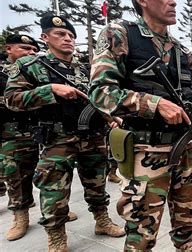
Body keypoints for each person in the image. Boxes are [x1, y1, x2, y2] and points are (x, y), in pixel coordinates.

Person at [88, 0, 192, 251]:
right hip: (146, 154)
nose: (173, 1)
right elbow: (100, 92)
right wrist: (152, 103)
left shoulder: (182, 51)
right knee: (142, 235)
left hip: (184, 151)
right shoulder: (120, 35)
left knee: (187, 224)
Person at [5, 15, 124, 251]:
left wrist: (112, 117)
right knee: (53, 190)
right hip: (57, 139)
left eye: (71, 35)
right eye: (60, 34)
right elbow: (12, 99)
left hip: (92, 136)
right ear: (45, 37)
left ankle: (102, 221)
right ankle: (57, 236)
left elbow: (99, 99)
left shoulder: (87, 69)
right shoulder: (30, 67)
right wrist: (50, 90)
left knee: (97, 183)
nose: (68, 39)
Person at [0, 34, 39, 241]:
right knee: (15, 176)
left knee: (51, 174)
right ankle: (20, 217)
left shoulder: (41, 70)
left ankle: (57, 208)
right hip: (12, 132)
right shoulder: (2, 73)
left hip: (42, 129)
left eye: (34, 50)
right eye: (25, 49)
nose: (31, 53)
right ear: (9, 49)